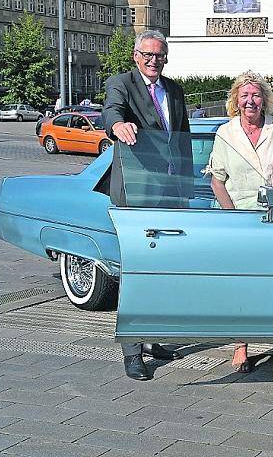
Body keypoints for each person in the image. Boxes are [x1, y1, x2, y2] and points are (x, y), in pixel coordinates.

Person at [206, 71, 273, 372]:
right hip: (239, 212)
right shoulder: (226, 132)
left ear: (265, 100)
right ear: (236, 100)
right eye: (245, 95)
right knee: (244, 279)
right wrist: (232, 217)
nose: (250, 101)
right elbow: (217, 181)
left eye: (256, 95)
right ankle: (241, 344)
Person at [103, 29, 188, 381]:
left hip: (170, 192)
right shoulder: (121, 83)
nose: (154, 61)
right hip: (136, 193)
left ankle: (154, 336)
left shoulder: (174, 90)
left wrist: (186, 187)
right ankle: (132, 350)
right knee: (136, 270)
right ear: (136, 56)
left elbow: (180, 138)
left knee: (163, 269)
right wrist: (117, 125)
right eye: (148, 55)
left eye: (160, 56)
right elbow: (112, 111)